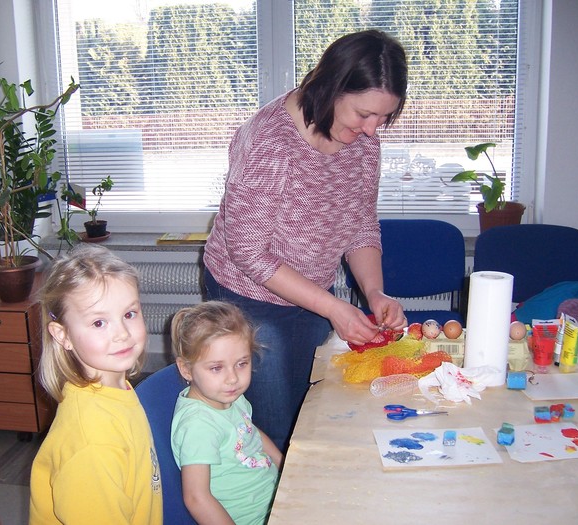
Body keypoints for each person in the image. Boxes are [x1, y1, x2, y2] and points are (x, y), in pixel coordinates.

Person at [203, 29, 409, 451]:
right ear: (332, 87)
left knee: (314, 409)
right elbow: (248, 251)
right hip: (248, 296)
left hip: (313, 292)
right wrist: (333, 307)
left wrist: (374, 292)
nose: (372, 131)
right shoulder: (269, 141)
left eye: (382, 118)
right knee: (276, 427)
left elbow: (361, 224)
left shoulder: (362, 145)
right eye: (364, 114)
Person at [29, 244, 162, 525]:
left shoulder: (114, 388)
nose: (122, 334)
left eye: (129, 314)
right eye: (99, 323)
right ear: (63, 335)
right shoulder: (92, 441)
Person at [170, 301, 282, 525]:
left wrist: (284, 465)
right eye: (216, 368)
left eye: (241, 364)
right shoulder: (199, 425)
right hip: (255, 518)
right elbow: (196, 498)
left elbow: (250, 431)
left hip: (276, 497)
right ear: (186, 370)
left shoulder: (228, 396)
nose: (232, 378)